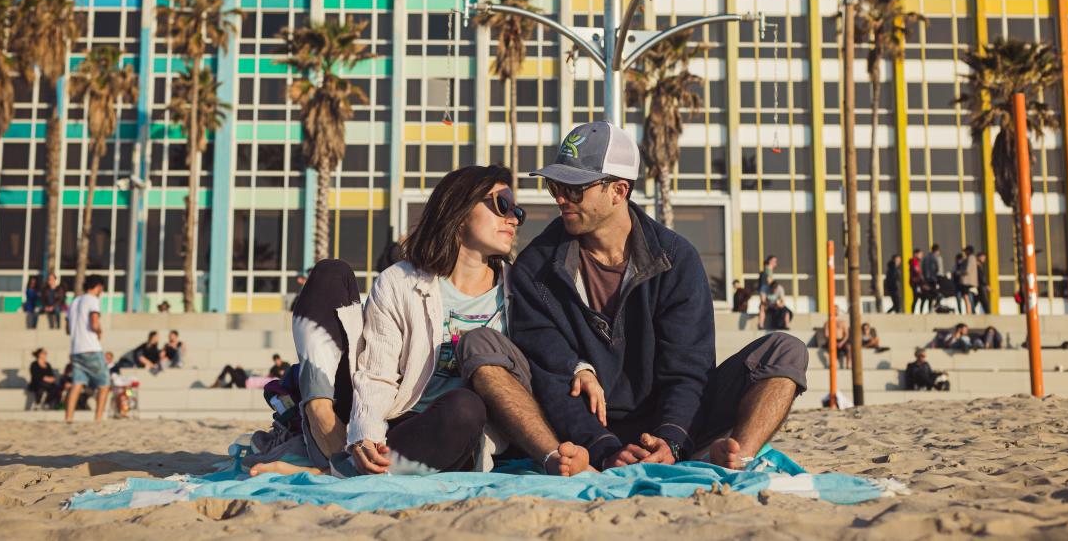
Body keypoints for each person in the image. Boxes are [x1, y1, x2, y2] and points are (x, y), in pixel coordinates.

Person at [250, 165, 591, 479]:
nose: (514, 218)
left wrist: (581, 368)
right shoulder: (400, 281)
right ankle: (322, 425)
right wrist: (365, 435)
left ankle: (335, 472)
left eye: (517, 210)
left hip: (458, 430)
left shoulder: (521, 288)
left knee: (465, 408)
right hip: (393, 414)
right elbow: (377, 373)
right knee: (330, 273)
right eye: (502, 204)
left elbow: (551, 346)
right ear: (458, 212)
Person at [509, 122, 808, 471]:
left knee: (785, 351)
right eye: (554, 185)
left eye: (574, 189)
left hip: (674, 424)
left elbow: (688, 371)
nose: (560, 198)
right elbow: (553, 379)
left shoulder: (676, 258)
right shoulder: (535, 269)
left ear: (618, 191)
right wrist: (604, 449)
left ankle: (736, 457)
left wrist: (672, 440)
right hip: (583, 435)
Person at [65, 275, 110, 422]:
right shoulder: (92, 300)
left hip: (75, 349)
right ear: (98, 286)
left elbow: (67, 328)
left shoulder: (74, 301)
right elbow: (94, 322)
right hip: (90, 347)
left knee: (77, 384)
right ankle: (98, 418)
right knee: (104, 384)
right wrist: (99, 332)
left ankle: (69, 417)